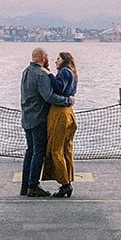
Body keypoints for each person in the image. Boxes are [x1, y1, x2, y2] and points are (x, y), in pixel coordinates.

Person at [20, 46, 72, 197]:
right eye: (48, 56)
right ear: (43, 58)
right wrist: (68, 100)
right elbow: (49, 97)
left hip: (27, 117)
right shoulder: (41, 74)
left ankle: (25, 186)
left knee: (30, 151)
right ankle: (33, 186)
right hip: (39, 118)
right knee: (39, 152)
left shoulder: (26, 71)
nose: (50, 59)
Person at [44, 51, 78, 197]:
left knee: (56, 149)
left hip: (60, 113)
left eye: (58, 58)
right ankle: (68, 178)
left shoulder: (64, 72)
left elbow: (59, 87)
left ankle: (65, 184)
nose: (55, 61)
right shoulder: (73, 72)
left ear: (64, 60)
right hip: (69, 112)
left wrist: (49, 75)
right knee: (66, 148)